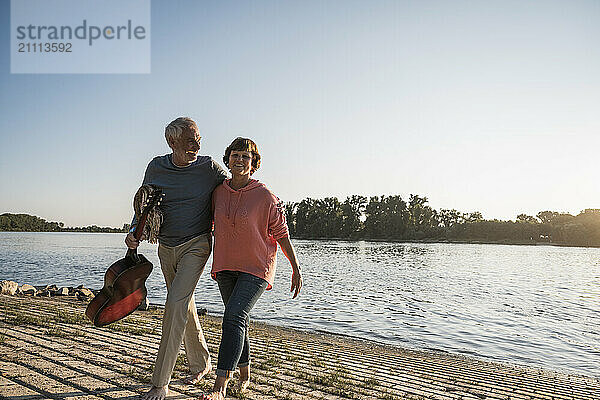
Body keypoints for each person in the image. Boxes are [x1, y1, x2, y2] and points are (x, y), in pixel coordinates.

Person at [125, 117, 228, 400]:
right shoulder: (155, 167)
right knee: (184, 303)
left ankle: (160, 382)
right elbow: (143, 204)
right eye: (189, 141)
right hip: (165, 246)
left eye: (198, 139)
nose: (197, 145)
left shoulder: (208, 168)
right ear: (172, 143)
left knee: (174, 304)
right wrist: (134, 230)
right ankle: (201, 364)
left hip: (196, 244)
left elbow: (234, 190)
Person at [199, 138, 303, 400]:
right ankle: (244, 376)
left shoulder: (265, 196)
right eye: (235, 155)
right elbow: (205, 224)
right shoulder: (218, 192)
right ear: (228, 159)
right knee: (238, 319)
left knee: (232, 317)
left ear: (253, 162)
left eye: (246, 156)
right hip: (225, 265)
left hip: (257, 267)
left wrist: (295, 267)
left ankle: (219, 386)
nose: (240, 160)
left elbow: (281, 233)